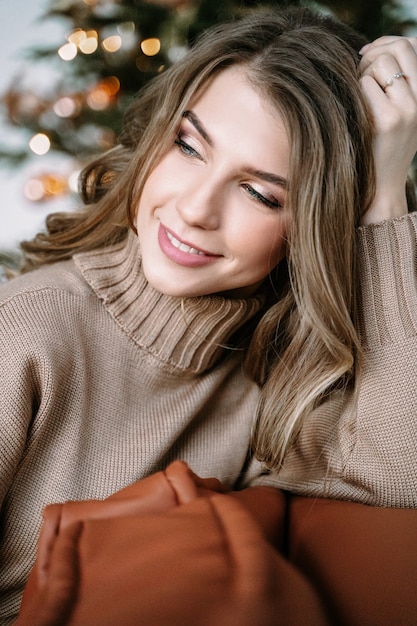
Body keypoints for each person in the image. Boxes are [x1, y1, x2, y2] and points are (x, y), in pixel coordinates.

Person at [1, 4, 417, 623]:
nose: (196, 208)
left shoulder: (275, 372)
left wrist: (383, 197)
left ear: (310, 226)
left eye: (259, 192)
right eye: (189, 146)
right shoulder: (29, 327)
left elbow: (398, 474)